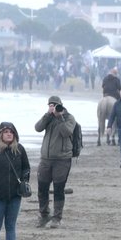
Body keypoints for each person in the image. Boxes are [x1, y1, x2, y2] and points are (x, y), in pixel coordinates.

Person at [34, 96, 77, 229]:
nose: (54, 108)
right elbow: (38, 128)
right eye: (51, 105)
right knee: (42, 188)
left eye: (56, 105)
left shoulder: (69, 118)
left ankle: (57, 218)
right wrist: (48, 115)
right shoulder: (48, 117)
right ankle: (44, 215)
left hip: (62, 159)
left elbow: (67, 132)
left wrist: (60, 117)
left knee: (58, 189)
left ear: (62, 105)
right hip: (46, 159)